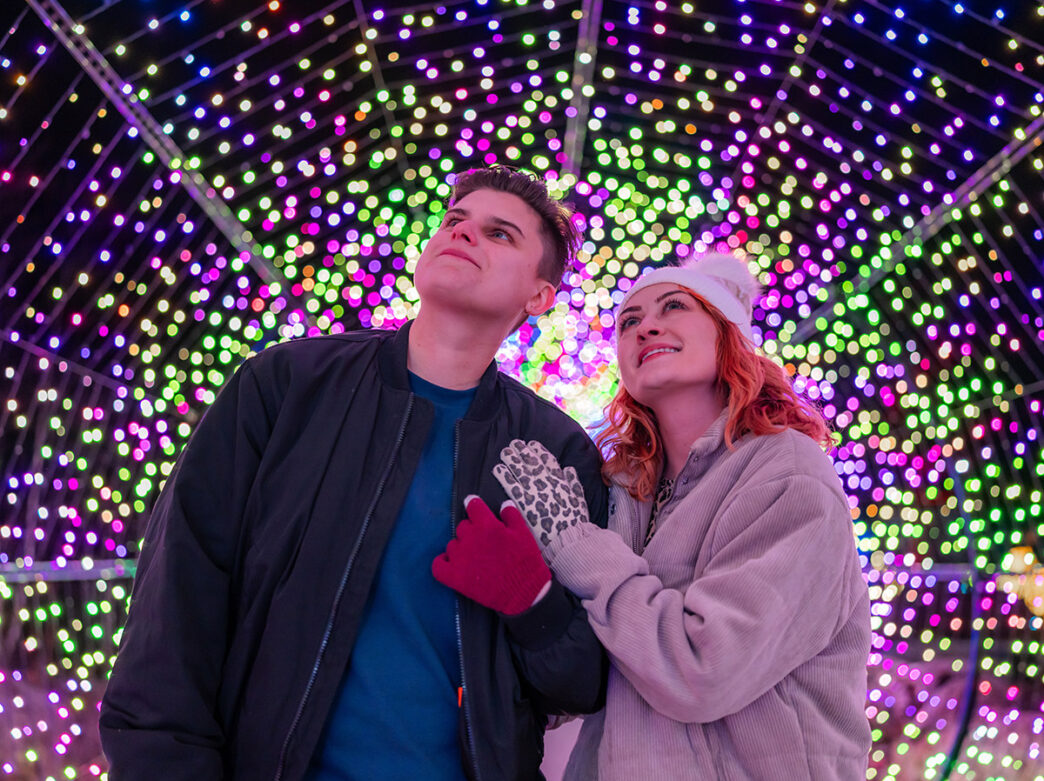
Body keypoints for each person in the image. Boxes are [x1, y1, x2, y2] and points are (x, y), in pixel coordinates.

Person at [99, 165, 609, 780]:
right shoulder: (284, 387)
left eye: (499, 234)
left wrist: (535, 605)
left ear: (539, 296)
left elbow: (581, 686)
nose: (464, 234)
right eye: (455, 221)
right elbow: (180, 594)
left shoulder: (555, 452)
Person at [493, 253, 872, 780]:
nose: (647, 325)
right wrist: (529, 603)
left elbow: (704, 670)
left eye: (675, 306)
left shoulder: (788, 474)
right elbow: (581, 685)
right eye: (629, 321)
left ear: (728, 336)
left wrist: (575, 545)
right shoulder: (619, 490)